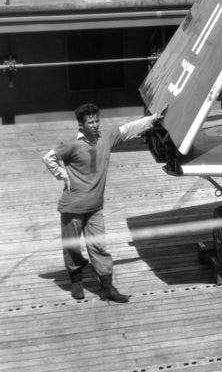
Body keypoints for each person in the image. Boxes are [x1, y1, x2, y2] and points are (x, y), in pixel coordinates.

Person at [42, 103, 163, 302]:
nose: (96, 125)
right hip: (72, 207)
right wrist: (62, 175)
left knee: (98, 246)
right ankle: (76, 281)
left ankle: (108, 288)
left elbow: (127, 129)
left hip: (95, 207)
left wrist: (153, 119)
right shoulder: (71, 144)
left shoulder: (105, 139)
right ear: (81, 125)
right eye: (91, 122)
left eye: (97, 120)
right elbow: (49, 158)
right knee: (72, 246)